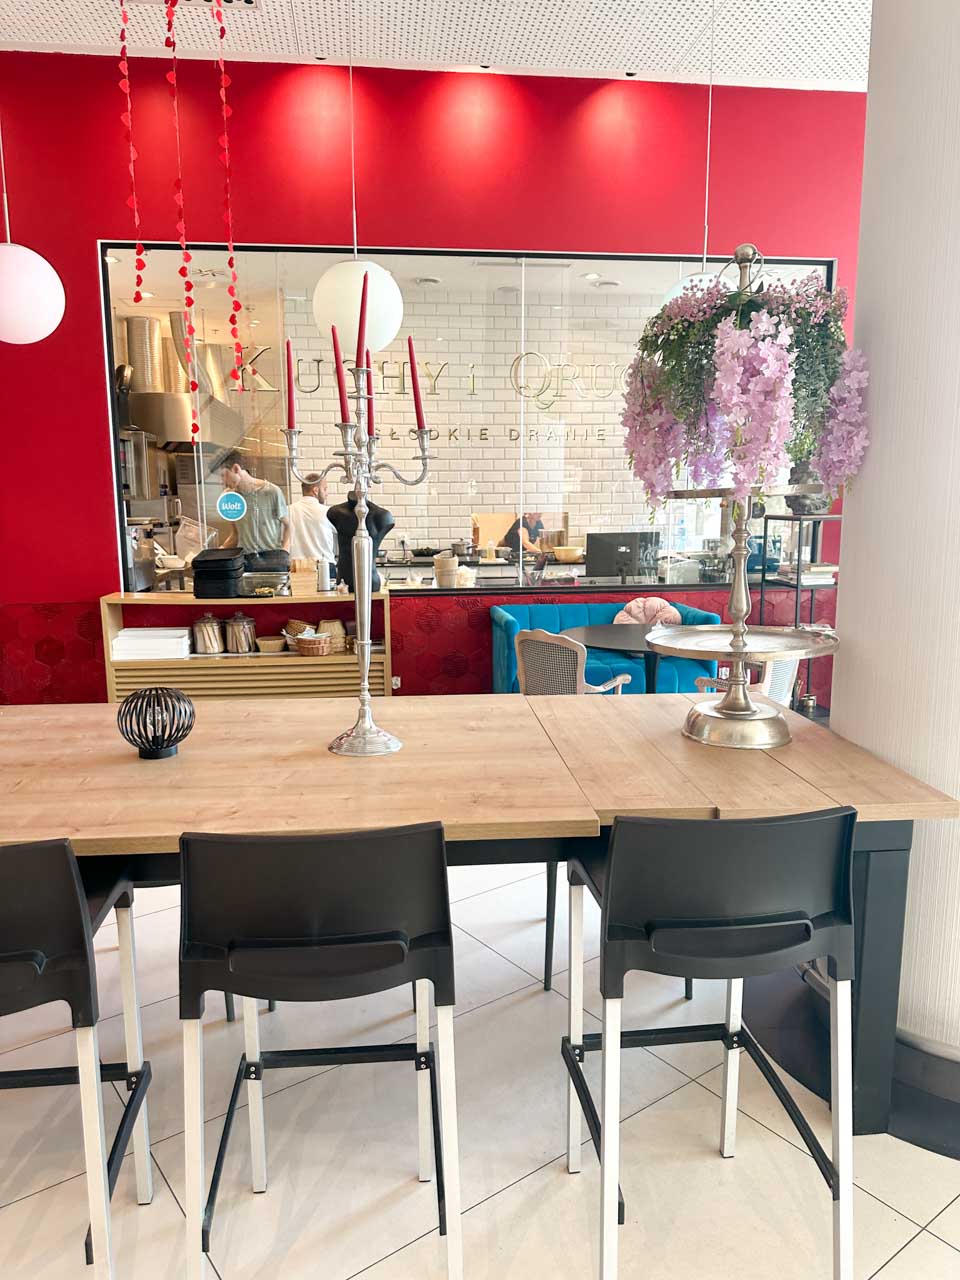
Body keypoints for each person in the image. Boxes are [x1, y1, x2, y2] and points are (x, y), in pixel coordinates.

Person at [215, 450, 290, 556]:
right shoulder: (230, 496)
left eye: (223, 475)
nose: (221, 481)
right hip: (245, 559)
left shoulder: (272, 492)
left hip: (271, 558)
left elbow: (288, 526)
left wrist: (284, 553)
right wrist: (217, 552)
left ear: (236, 469)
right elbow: (236, 534)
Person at [287, 473, 338, 572]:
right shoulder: (328, 512)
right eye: (325, 489)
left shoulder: (288, 510)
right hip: (324, 567)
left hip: (297, 568)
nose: (327, 494)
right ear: (315, 490)